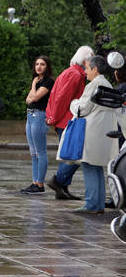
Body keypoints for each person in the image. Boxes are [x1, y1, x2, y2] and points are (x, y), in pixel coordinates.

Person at [58, 55, 118, 213]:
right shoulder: (107, 84)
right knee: (96, 167)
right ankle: (97, 204)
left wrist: (73, 102)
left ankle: (92, 205)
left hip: (91, 131)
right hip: (102, 131)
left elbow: (81, 109)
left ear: (95, 69)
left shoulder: (94, 85)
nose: (85, 72)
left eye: (87, 68)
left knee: (89, 166)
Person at [45, 45, 94, 200]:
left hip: (63, 119)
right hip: (67, 120)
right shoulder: (76, 75)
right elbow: (63, 99)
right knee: (74, 156)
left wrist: (53, 117)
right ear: (85, 60)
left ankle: (62, 189)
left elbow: (58, 97)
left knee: (68, 156)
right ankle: (58, 181)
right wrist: (55, 117)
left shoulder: (70, 72)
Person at [21, 56, 55, 194]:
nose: (39, 67)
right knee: (33, 152)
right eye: (37, 64)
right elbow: (27, 100)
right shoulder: (38, 80)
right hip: (30, 115)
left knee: (41, 151)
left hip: (40, 116)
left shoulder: (48, 81)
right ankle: (35, 182)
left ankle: (40, 184)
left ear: (47, 66)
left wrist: (34, 86)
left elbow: (34, 98)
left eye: (42, 64)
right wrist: (34, 87)